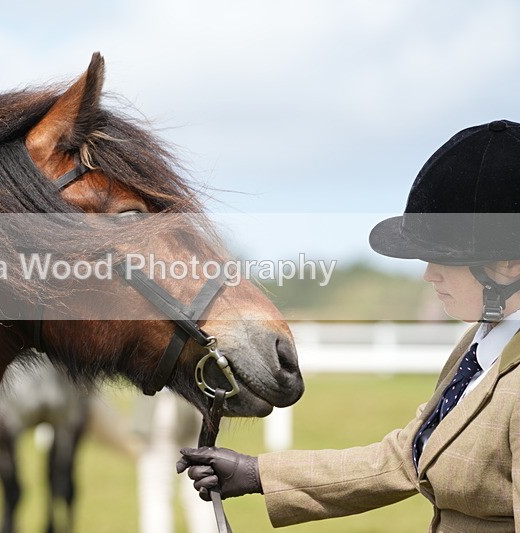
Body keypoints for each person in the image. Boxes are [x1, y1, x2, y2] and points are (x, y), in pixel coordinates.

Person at [176, 119, 520, 531]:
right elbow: (408, 456)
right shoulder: (481, 344)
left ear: (509, 263)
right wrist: (256, 474)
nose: (429, 274)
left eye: (444, 258)